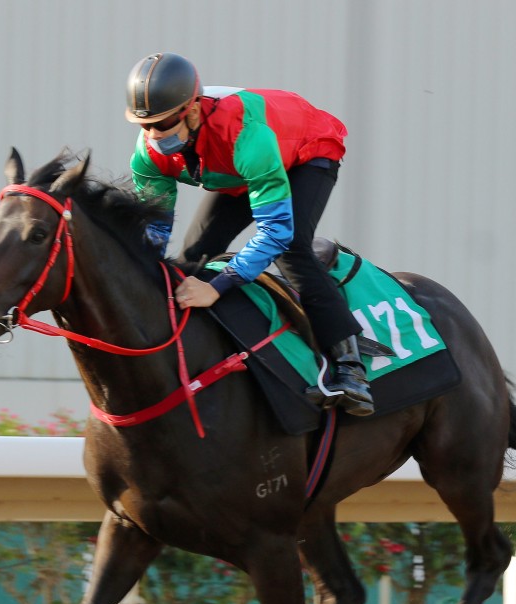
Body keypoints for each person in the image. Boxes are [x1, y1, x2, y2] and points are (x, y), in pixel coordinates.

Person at [124, 52, 373, 417]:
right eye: (146, 126)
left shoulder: (244, 135)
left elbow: (275, 233)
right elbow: (155, 233)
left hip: (306, 152)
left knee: (292, 250)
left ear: (192, 109)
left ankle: (351, 370)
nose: (154, 136)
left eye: (163, 124)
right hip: (237, 171)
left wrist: (218, 286)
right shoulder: (147, 155)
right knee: (193, 258)